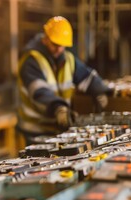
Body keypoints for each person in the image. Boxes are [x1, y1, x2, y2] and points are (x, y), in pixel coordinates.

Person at [17, 16, 112, 145]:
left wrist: (99, 90)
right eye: (55, 44)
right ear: (45, 38)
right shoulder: (31, 60)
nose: (59, 49)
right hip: (36, 130)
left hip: (57, 127)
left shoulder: (67, 59)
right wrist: (59, 108)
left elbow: (87, 77)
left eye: (63, 45)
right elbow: (39, 92)